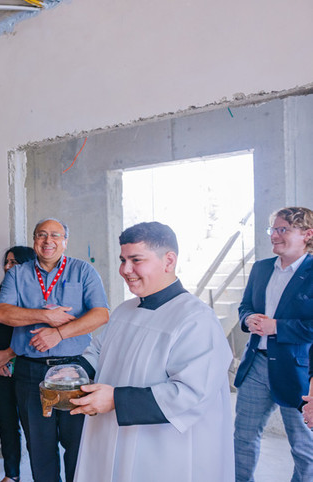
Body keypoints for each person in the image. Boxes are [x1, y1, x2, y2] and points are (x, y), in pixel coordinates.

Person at [70, 221, 234, 482]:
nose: (125, 270)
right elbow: (99, 351)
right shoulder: (125, 310)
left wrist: (116, 400)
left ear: (168, 261)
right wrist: (74, 371)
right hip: (109, 435)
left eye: (136, 260)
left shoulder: (196, 319)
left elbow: (192, 393)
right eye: (123, 260)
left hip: (160, 449)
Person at [0, 218, 109, 482]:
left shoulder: (83, 271)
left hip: (75, 371)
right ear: (34, 240)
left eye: (55, 235)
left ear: (65, 241)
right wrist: (45, 316)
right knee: (40, 448)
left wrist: (59, 333)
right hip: (30, 374)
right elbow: (1, 313)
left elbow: (101, 314)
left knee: (78, 445)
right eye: (42, 235)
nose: (48, 241)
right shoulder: (17, 274)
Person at [234, 206, 313, 481]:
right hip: (256, 365)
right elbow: (245, 306)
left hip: (297, 371)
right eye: (273, 229)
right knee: (243, 437)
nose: (274, 236)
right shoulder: (260, 268)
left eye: (283, 230)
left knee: (303, 447)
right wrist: (248, 319)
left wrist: (277, 327)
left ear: (307, 234)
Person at [0, 246, 36, 482]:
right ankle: (12, 475)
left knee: (33, 426)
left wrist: (8, 356)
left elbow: (36, 332)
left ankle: (41, 474)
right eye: (7, 262)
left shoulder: (34, 295)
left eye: (14, 262)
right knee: (6, 423)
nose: (7, 266)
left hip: (25, 369)